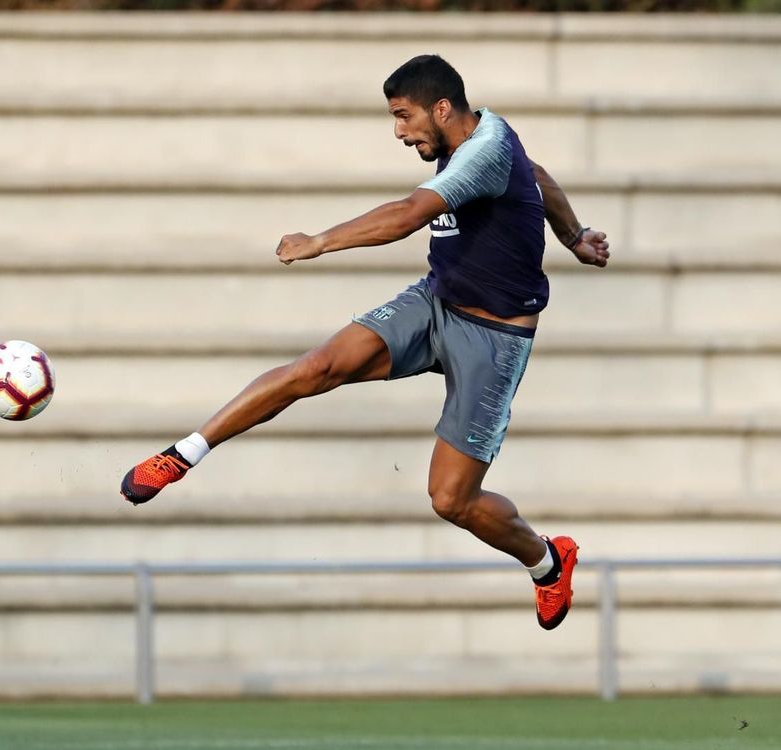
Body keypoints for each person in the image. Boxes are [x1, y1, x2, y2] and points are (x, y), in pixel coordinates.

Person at [121, 54, 610, 631]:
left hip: (495, 338)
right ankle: (181, 455)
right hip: (435, 303)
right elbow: (538, 175)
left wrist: (319, 242)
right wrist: (574, 235)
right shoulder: (485, 134)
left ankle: (547, 562)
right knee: (316, 367)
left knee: (451, 500)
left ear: (442, 109)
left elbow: (407, 215)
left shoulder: (484, 150)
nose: (399, 132)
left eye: (404, 117)